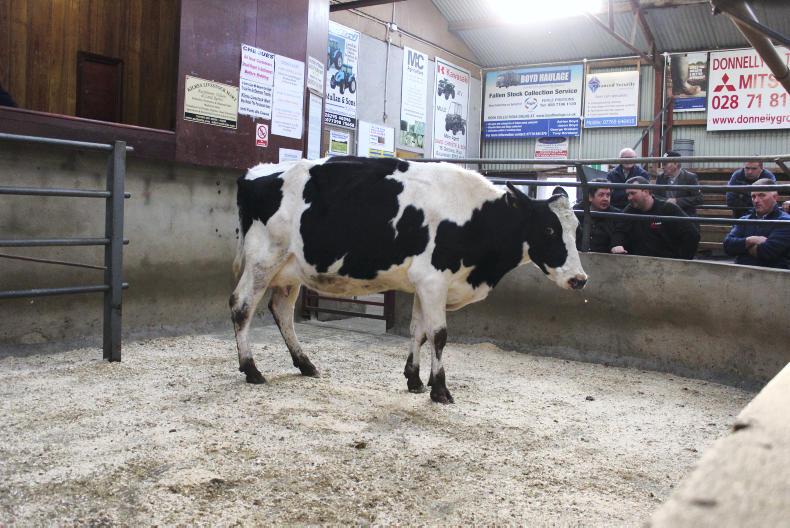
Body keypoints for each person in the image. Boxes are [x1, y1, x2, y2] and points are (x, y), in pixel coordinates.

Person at [611, 176, 700, 260]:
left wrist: (681, 260)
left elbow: (692, 235)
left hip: (666, 264)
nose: (629, 197)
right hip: (638, 263)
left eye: (633, 193)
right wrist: (617, 245)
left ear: (645, 191)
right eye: (628, 194)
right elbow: (619, 230)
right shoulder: (630, 210)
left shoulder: (668, 209)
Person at [723, 179, 790, 269]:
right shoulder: (744, 220)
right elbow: (728, 246)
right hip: (741, 274)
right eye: (753, 196)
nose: (756, 200)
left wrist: (742, 247)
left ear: (775, 197)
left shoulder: (785, 221)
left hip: (773, 276)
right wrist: (751, 240)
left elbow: (768, 252)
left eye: (762, 195)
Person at [573, 179, 620, 253]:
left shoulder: (616, 215)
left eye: (608, 195)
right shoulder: (576, 212)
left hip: (604, 259)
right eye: (601, 195)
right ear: (590, 197)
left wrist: (616, 245)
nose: (605, 199)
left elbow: (618, 237)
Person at [654, 150, 704, 217]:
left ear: (676, 164)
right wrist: (666, 201)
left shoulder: (690, 177)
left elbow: (699, 198)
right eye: (662, 164)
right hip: (665, 216)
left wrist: (677, 201)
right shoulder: (660, 177)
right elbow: (655, 196)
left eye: (665, 163)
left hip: (685, 216)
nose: (663, 166)